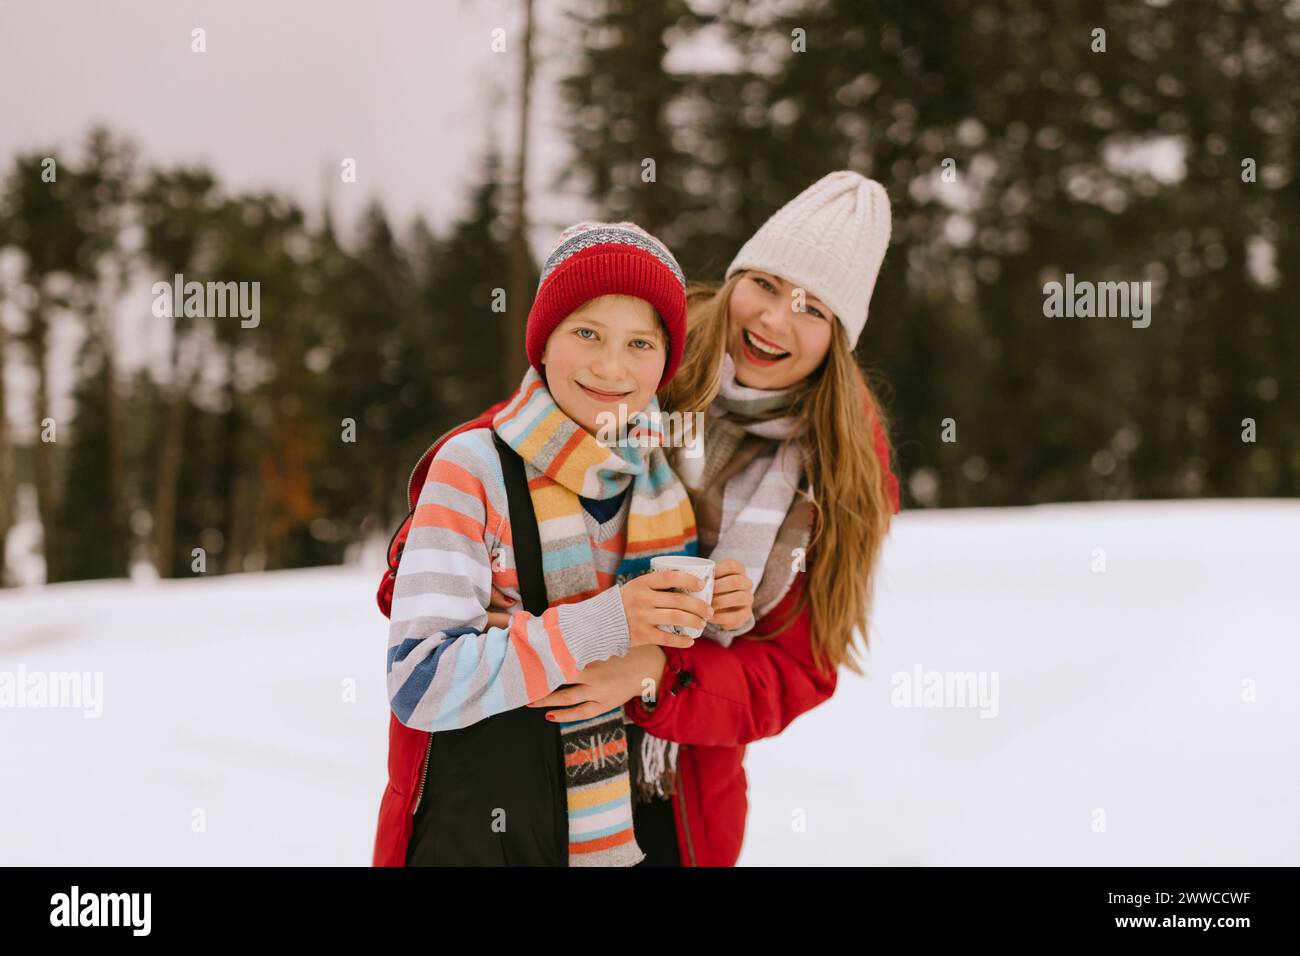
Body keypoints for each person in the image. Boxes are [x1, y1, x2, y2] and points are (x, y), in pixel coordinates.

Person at [514, 172, 902, 865]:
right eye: (767, 284)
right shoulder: (639, 350)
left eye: (813, 309)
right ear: (735, 279)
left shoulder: (842, 472)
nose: (775, 320)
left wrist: (659, 673)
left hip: (676, 786)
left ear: (839, 339)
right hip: (530, 725)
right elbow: (511, 451)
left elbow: (799, 669)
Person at [383, 220, 754, 866]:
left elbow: (671, 675)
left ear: (666, 360)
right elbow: (419, 683)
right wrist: (609, 621)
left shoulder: (663, 480)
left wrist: (719, 610)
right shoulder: (471, 469)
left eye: (640, 343)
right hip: (485, 842)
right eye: (587, 333)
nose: (612, 368)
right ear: (543, 343)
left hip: (633, 841)